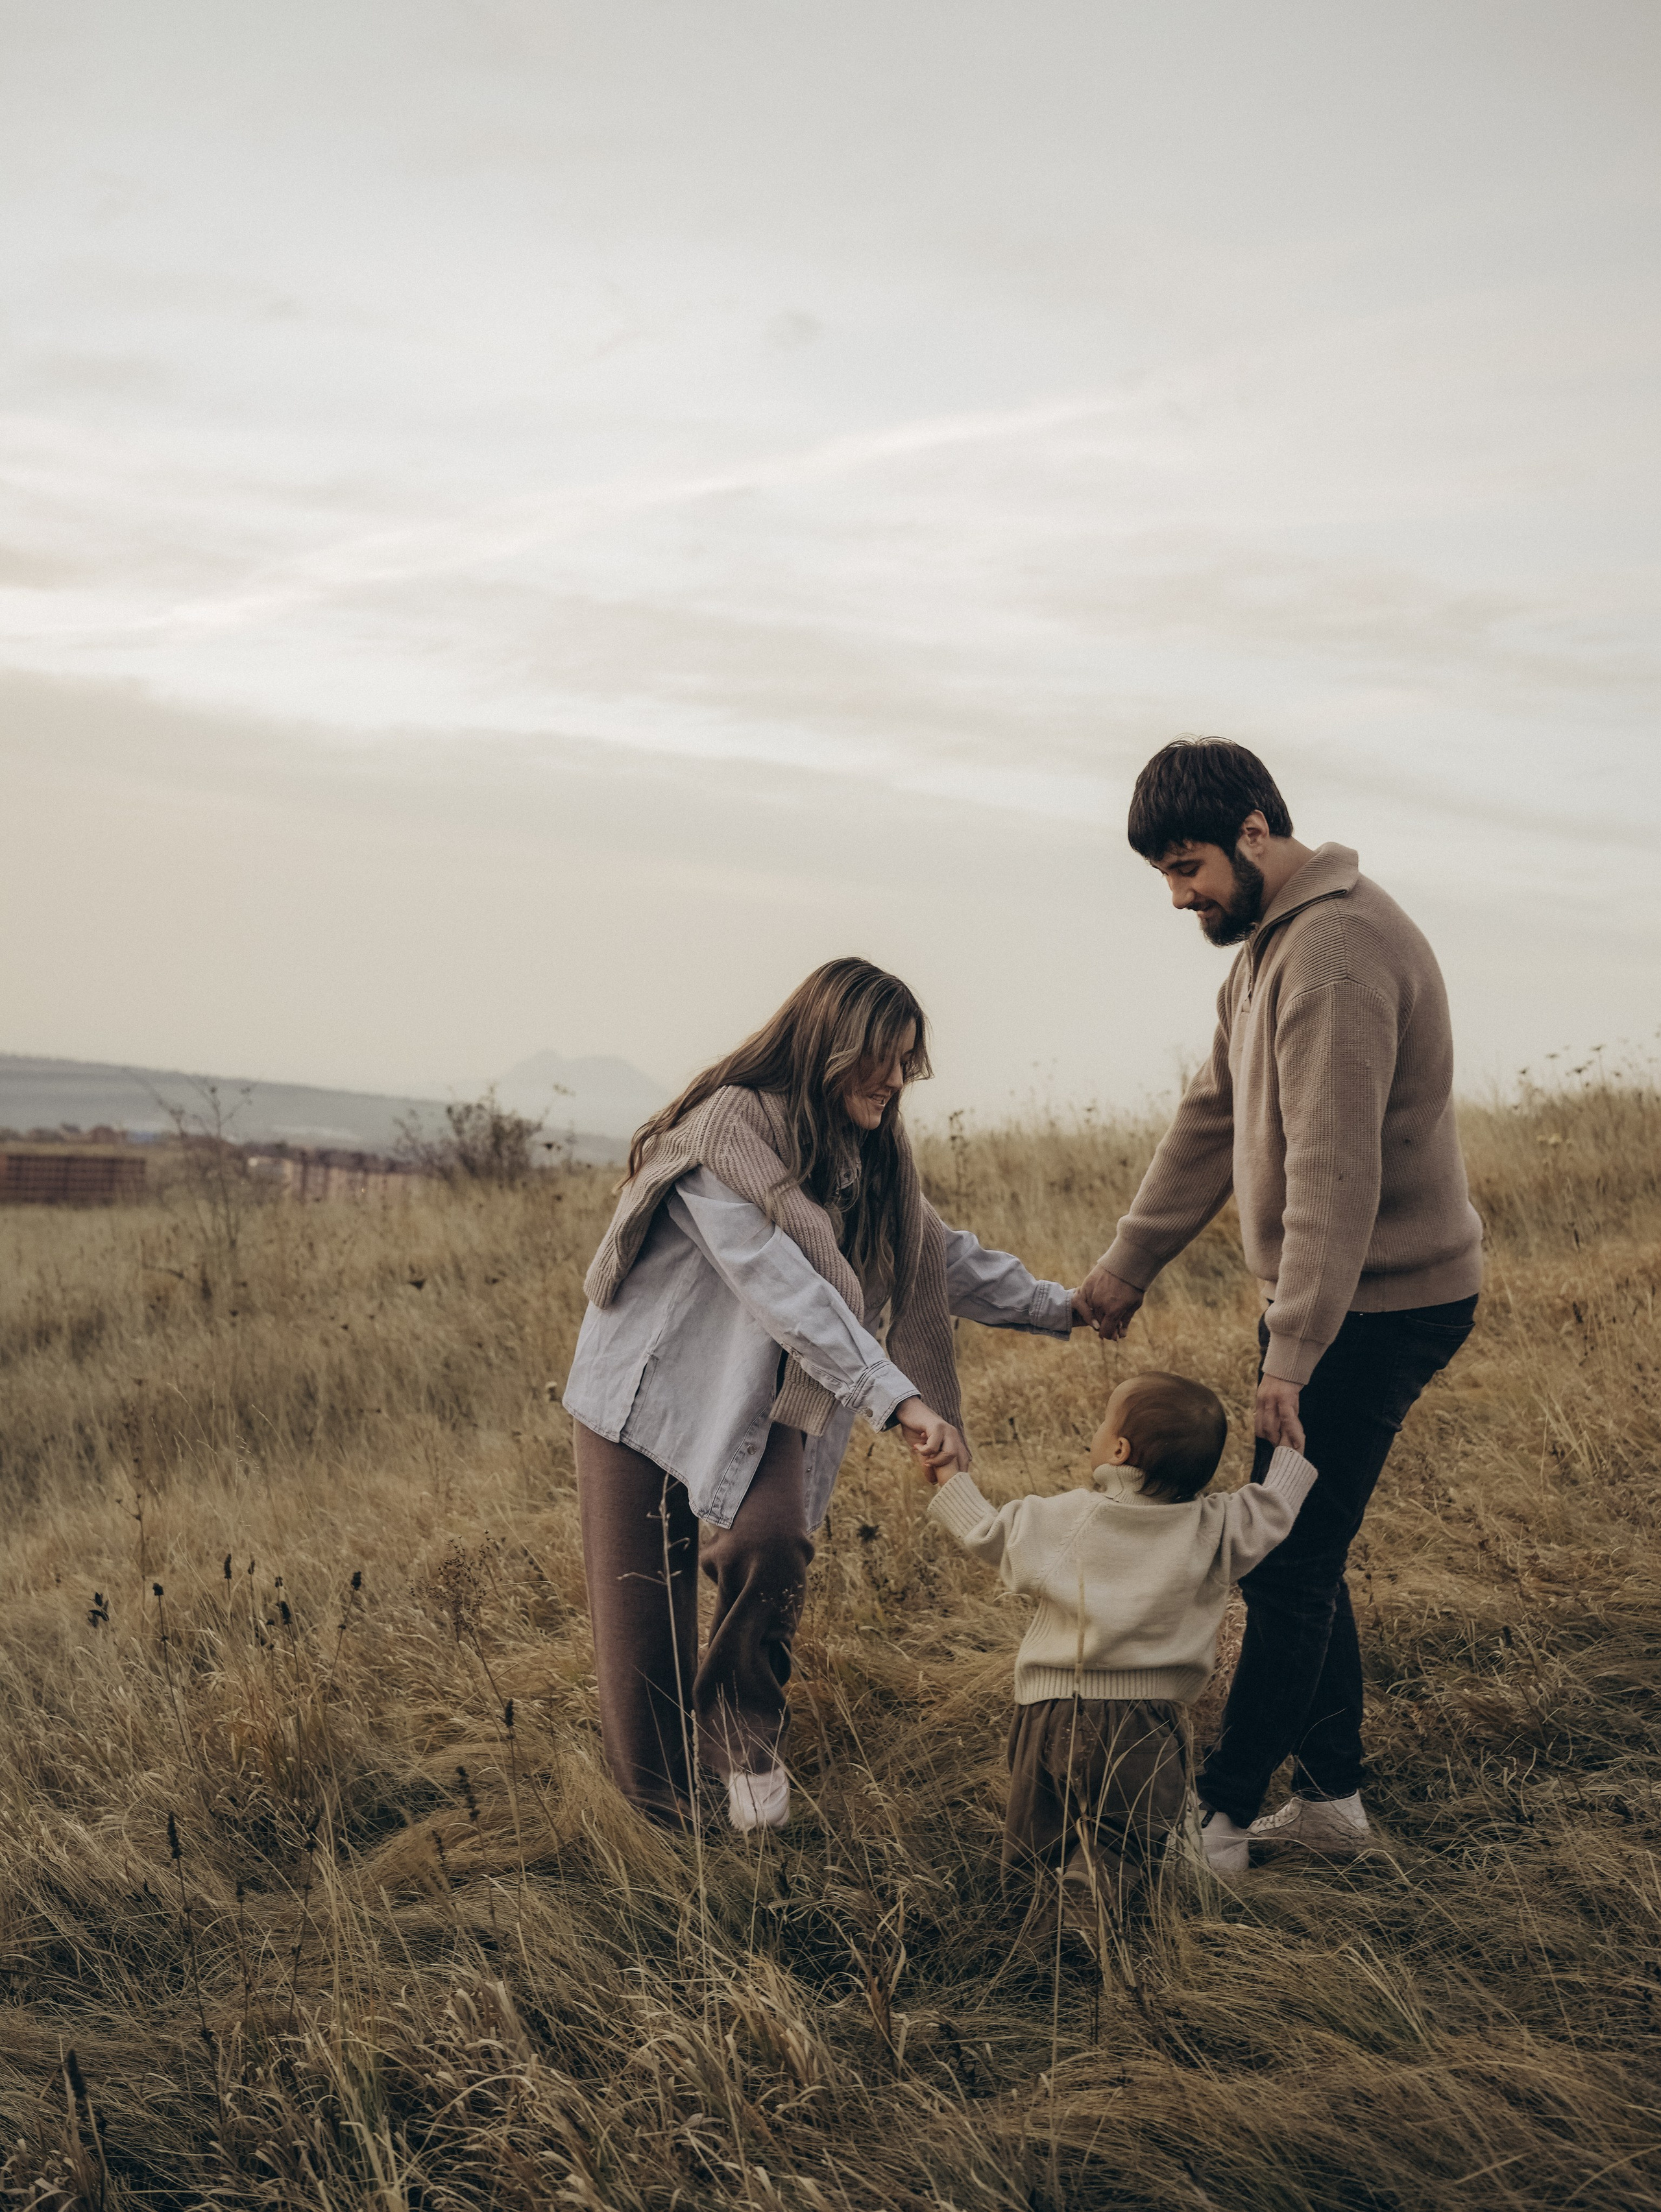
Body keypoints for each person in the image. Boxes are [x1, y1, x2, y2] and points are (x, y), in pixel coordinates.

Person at [1076, 739, 1482, 1873]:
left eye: (1189, 866)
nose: (1178, 895)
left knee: (1286, 1563)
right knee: (1304, 1544)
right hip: (1333, 1301)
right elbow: (1211, 1119)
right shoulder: (1264, 955)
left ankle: (1221, 1822)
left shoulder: (1335, 959)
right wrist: (1127, 1266)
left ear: (1257, 830)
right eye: (1162, 873)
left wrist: (1292, 1351)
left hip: (1383, 1304)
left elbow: (1335, 1182)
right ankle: (1333, 1802)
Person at [564, 956, 1084, 1834]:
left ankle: (740, 1733)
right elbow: (783, 1285)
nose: (894, 1078)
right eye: (879, 1055)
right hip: (643, 1398)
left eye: (907, 1059)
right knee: (642, 1628)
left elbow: (933, 1254)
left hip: (764, 1399)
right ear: (825, 1043)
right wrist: (903, 1400)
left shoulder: (870, 1155)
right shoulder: (723, 1135)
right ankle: (665, 1837)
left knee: (772, 1544)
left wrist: (1065, 1306)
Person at [919, 1370, 1316, 1910]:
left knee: (1038, 1843)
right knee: (1126, 1844)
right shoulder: (1215, 1528)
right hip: (1148, 1723)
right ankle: (1095, 1913)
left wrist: (950, 1478)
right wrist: (1289, 1457)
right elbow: (1273, 1513)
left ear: (1119, 1448)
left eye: (1104, 1422)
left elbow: (989, 1535)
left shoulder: (1064, 1519)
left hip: (1053, 1713)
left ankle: (1035, 1946)